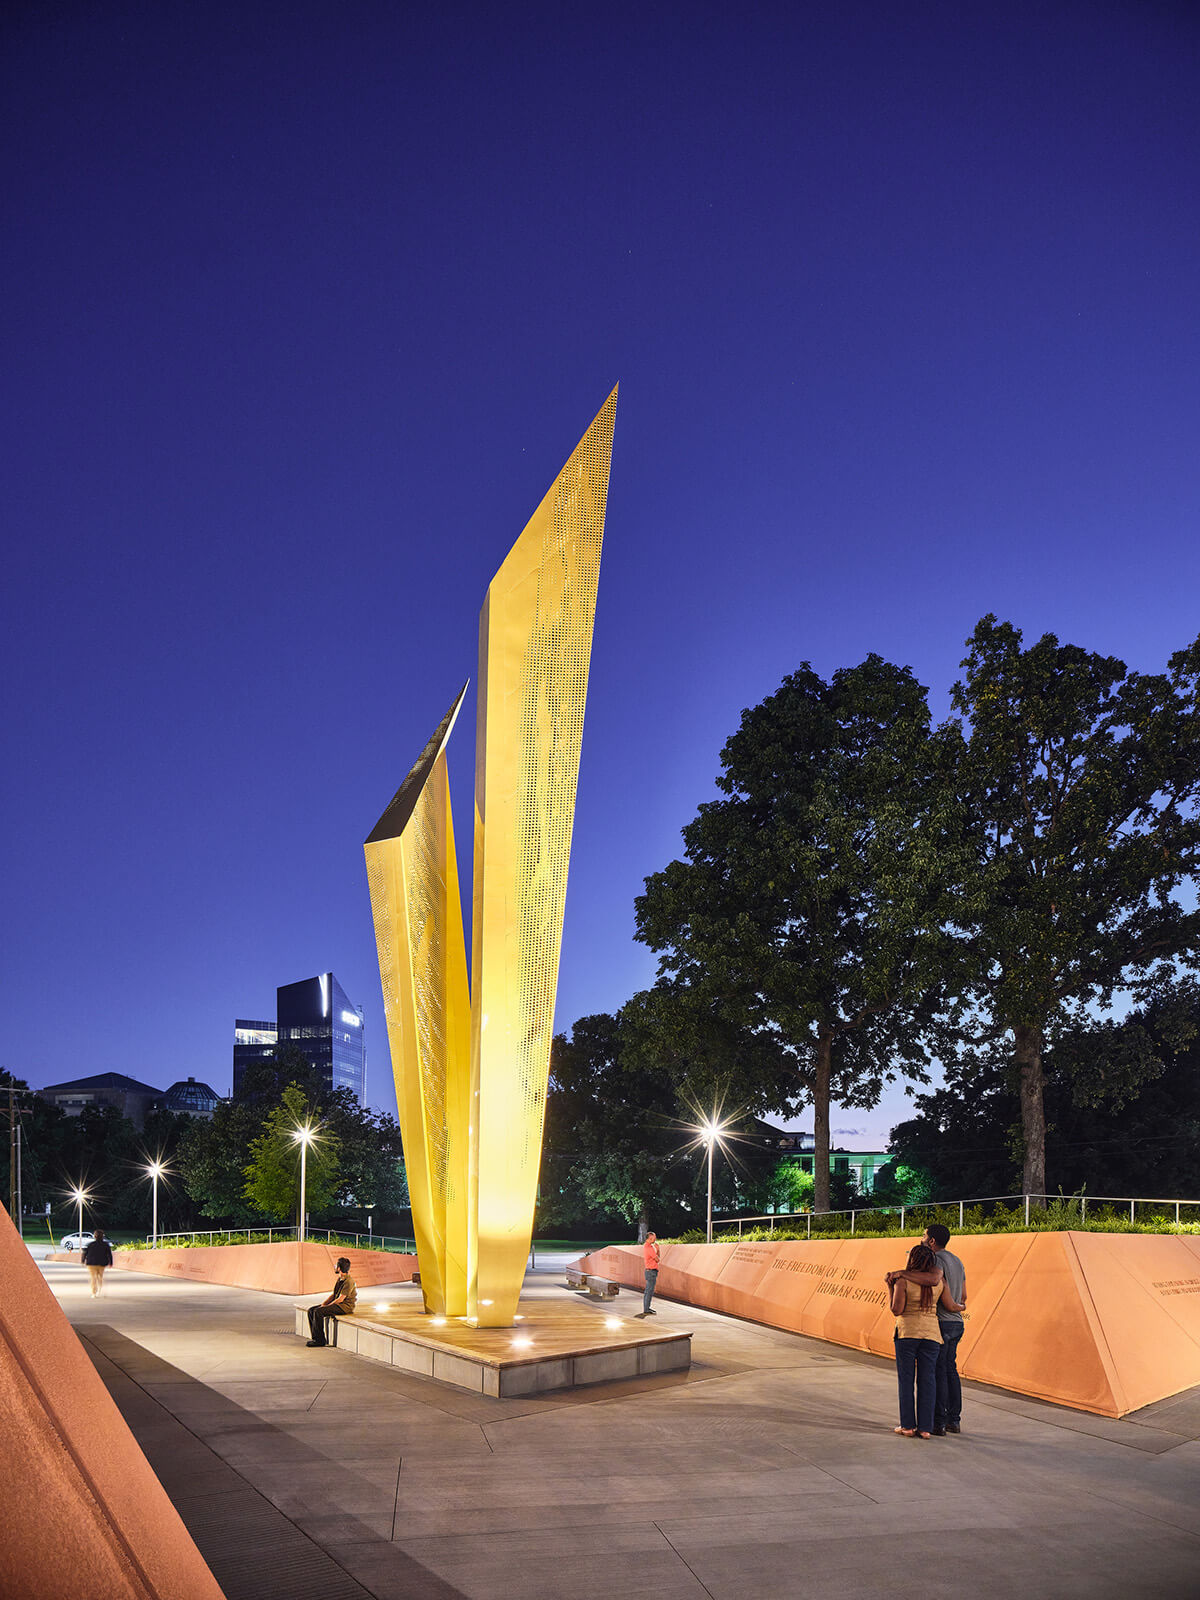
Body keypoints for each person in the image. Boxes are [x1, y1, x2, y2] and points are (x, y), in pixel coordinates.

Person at [887, 1225, 968, 1435]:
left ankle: (929, 1423)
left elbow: (899, 1308)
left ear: (932, 1241)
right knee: (942, 1373)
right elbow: (960, 1298)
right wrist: (961, 1307)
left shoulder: (932, 1264)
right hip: (947, 1326)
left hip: (926, 1326)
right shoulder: (957, 1262)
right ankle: (945, 1422)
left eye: (924, 1235)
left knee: (920, 1377)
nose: (922, 1238)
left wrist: (898, 1276)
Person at [887, 1242, 943, 1438]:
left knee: (906, 1380)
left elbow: (896, 1310)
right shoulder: (939, 1281)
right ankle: (926, 1428)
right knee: (928, 1380)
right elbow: (950, 1302)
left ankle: (908, 1426)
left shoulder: (902, 1281)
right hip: (931, 1334)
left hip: (907, 1333)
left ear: (912, 1260)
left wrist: (889, 1287)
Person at [306, 1256, 358, 1346]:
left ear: (339, 1268)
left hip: (344, 1306)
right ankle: (315, 1338)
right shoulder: (340, 1279)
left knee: (318, 1312)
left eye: (336, 1266)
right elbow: (334, 1295)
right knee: (311, 1310)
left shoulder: (349, 1281)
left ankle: (320, 1341)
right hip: (338, 1304)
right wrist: (324, 1304)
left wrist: (327, 1307)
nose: (334, 1267)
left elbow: (340, 1299)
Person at [82, 1229, 114, 1297]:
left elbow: (85, 1253)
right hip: (102, 1263)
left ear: (95, 1236)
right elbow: (109, 1254)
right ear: (102, 1236)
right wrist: (111, 1262)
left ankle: (94, 1293)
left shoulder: (90, 1244)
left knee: (93, 1278)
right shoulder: (106, 1245)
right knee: (100, 1277)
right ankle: (99, 1290)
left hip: (91, 1263)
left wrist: (83, 1260)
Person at [634, 1231, 659, 1318]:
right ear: (650, 1238)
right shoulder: (649, 1248)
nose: (655, 1239)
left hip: (650, 1271)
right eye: (654, 1238)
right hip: (651, 1271)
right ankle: (646, 1309)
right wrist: (658, 1250)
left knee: (649, 1291)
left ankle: (647, 1308)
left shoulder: (647, 1246)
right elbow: (657, 1259)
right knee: (649, 1291)